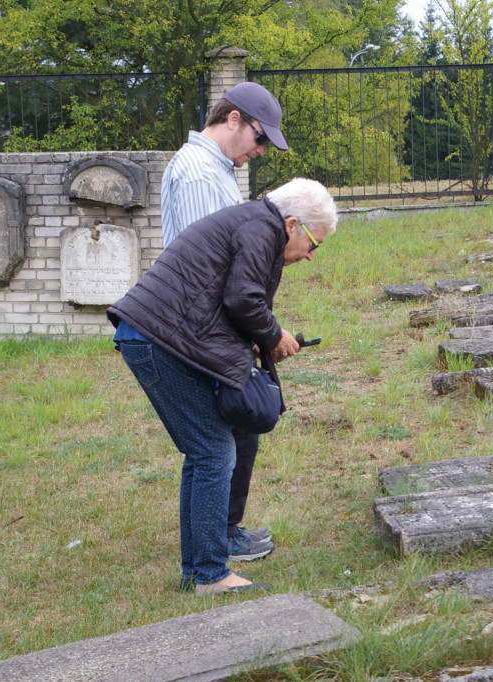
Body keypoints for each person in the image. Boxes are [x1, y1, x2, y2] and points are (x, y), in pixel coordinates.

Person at [108, 178, 337, 595]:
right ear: (292, 224)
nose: (310, 257)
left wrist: (258, 339)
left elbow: (219, 301)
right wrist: (273, 335)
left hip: (150, 337)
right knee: (214, 451)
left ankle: (197, 572)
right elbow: (242, 299)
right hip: (157, 341)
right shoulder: (261, 229)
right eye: (313, 245)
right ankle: (211, 575)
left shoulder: (256, 224)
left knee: (204, 453)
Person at [160, 81, 289, 562]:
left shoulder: (216, 170)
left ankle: (222, 532)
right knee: (220, 441)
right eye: (259, 139)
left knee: (232, 434)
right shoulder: (196, 173)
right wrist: (243, 332)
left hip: (213, 324)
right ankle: (215, 545)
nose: (259, 151)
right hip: (201, 326)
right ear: (233, 119)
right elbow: (206, 271)